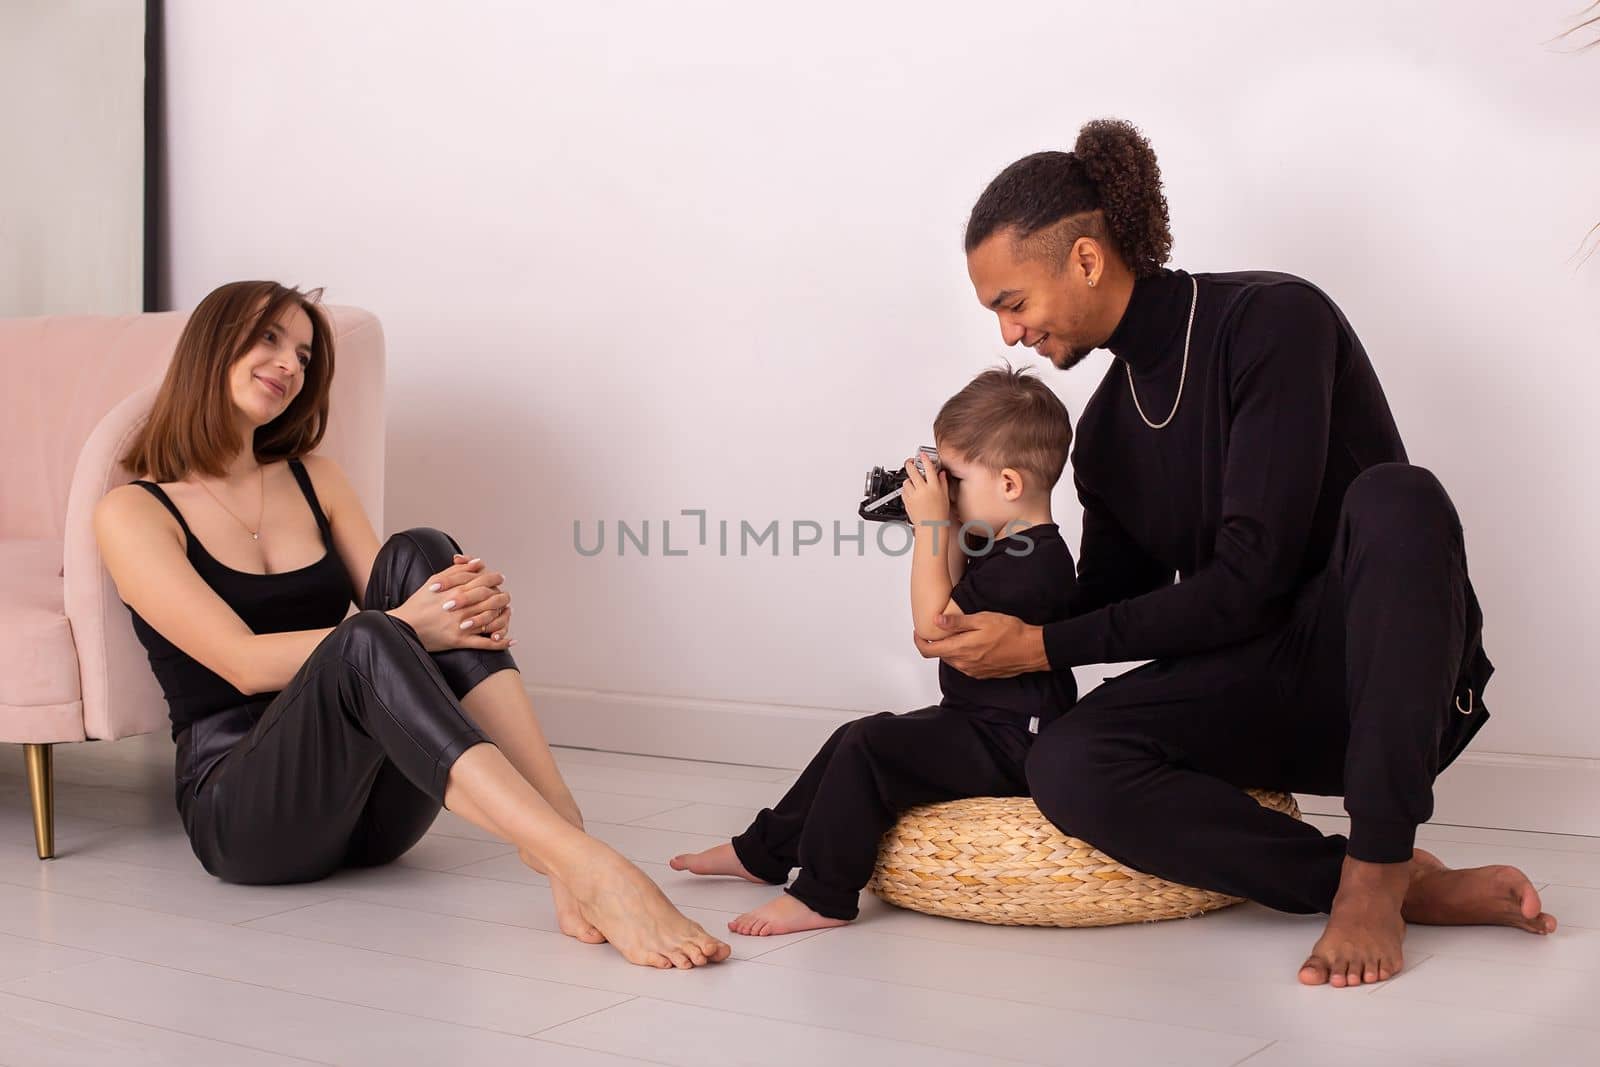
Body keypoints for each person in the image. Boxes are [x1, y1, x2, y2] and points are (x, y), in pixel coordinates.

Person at [919, 118, 1557, 988]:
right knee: (1067, 758)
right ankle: (1383, 882)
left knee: (1399, 498)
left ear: (1085, 259)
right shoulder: (1104, 431)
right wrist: (965, 551)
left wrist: (1037, 644)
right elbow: (1106, 604)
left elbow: (1248, 579)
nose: (1007, 334)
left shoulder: (1271, 320)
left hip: (1377, 679)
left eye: (1011, 302)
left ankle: (1376, 868)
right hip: (1254, 691)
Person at [94, 280, 729, 970]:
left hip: (375, 818)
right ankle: (588, 864)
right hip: (248, 817)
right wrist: (413, 623)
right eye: (269, 338)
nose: (290, 364)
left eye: (304, 355)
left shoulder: (316, 478)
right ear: (212, 342)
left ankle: (559, 831)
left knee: (421, 552)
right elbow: (241, 661)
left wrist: (463, 607)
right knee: (372, 634)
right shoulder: (135, 509)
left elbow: (412, 604)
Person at [670, 367, 1079, 935]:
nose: (948, 493)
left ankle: (823, 895)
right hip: (980, 721)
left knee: (871, 745)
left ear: (1009, 484)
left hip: (1017, 741)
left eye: (955, 479)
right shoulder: (1008, 542)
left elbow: (932, 631)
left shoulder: (1037, 566)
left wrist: (934, 526)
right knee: (854, 737)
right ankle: (761, 852)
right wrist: (938, 526)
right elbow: (956, 588)